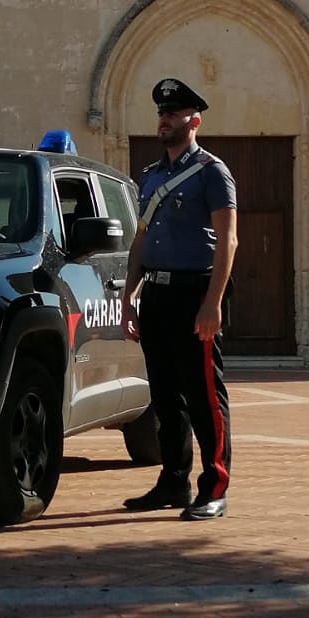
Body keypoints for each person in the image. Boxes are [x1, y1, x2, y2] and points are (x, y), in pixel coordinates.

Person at [121, 77, 239, 520]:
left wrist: (213, 302)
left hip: (195, 293)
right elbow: (141, 241)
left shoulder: (212, 171)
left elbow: (228, 241)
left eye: (172, 113)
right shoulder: (151, 177)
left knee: (205, 396)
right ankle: (173, 481)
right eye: (161, 113)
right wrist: (130, 295)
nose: (164, 119)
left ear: (194, 120)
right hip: (157, 294)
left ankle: (214, 487)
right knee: (165, 397)